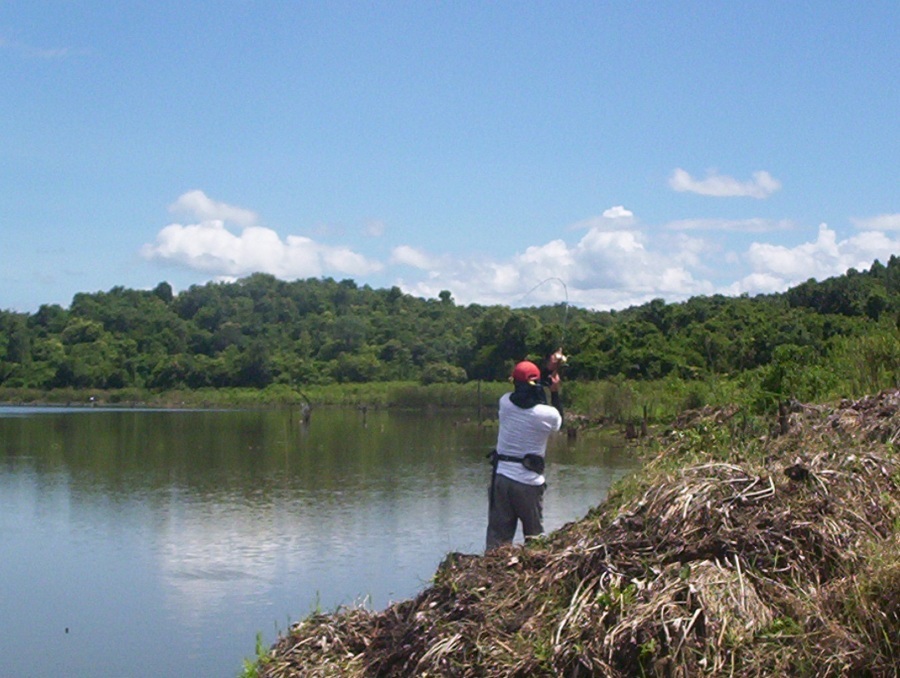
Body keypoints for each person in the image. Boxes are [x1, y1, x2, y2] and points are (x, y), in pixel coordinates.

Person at [485, 351, 564, 551]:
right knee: (535, 541)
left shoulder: (505, 402)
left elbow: (529, 390)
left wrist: (547, 369)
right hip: (528, 483)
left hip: (501, 478)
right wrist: (554, 391)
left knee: (497, 543)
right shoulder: (547, 415)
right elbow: (556, 417)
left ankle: (491, 576)